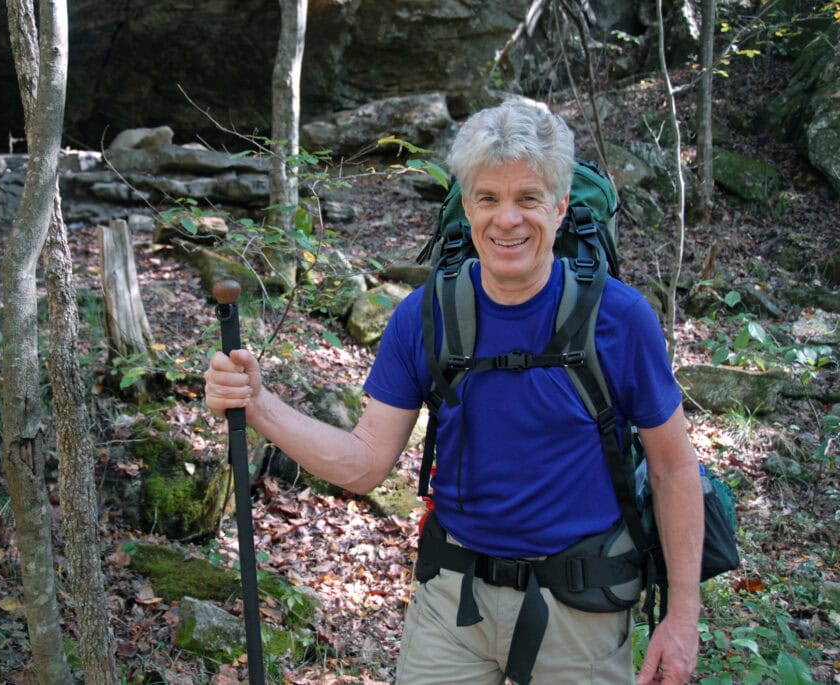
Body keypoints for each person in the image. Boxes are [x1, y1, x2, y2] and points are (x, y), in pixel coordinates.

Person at [204, 98, 702, 684]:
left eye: (528, 199)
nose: (507, 219)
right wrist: (260, 406)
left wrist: (682, 616)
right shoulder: (426, 315)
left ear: (561, 207)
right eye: (488, 198)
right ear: (466, 206)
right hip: (453, 602)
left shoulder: (619, 319)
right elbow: (365, 464)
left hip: (581, 605)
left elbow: (673, 469)